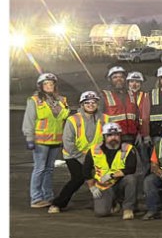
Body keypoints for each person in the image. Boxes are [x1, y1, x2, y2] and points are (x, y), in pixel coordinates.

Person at [49, 91, 105, 214]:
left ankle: (107, 203)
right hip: (73, 155)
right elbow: (68, 143)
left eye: (93, 102)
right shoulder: (73, 120)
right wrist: (84, 159)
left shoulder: (104, 119)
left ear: (97, 104)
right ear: (82, 105)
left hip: (95, 156)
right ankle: (57, 204)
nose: (90, 105)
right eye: (87, 103)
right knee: (78, 178)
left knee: (104, 177)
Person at [23, 72, 69, 209]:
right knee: (39, 169)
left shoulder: (62, 100)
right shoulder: (35, 100)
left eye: (51, 83)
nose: (49, 86)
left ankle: (48, 196)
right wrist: (29, 138)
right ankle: (36, 198)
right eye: (46, 84)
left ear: (55, 85)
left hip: (56, 141)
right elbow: (29, 120)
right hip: (40, 141)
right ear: (41, 86)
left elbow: (65, 120)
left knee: (49, 169)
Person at [89, 122, 141, 219]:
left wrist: (111, 175)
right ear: (104, 136)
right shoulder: (94, 150)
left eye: (116, 135)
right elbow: (86, 170)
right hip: (104, 185)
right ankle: (115, 202)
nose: (113, 137)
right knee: (101, 213)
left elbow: (131, 168)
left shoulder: (128, 148)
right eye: (109, 135)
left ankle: (128, 208)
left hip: (120, 182)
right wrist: (92, 187)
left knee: (131, 179)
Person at [102, 66, 142, 147]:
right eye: (115, 77)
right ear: (110, 80)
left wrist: (139, 133)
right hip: (114, 138)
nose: (119, 79)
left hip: (132, 137)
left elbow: (137, 117)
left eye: (121, 77)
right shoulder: (103, 96)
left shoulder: (132, 94)